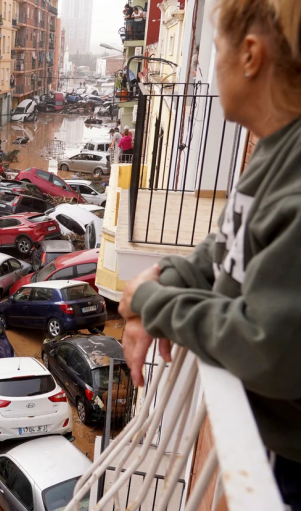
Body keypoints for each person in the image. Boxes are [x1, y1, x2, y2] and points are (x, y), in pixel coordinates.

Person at [118, 0, 301, 507]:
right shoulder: (272, 148)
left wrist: (152, 300)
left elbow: (266, 346)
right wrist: (164, 282)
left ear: (249, 55)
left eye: (216, 48)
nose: (210, 67)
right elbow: (222, 251)